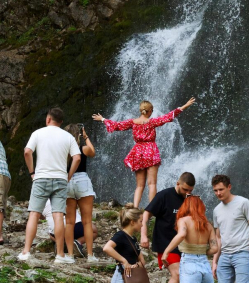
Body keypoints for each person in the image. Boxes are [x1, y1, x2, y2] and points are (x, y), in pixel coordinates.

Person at [92, 97, 196, 207]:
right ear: (150, 111)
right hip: (150, 151)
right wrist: (185, 105)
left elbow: (117, 125)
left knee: (139, 186)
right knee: (152, 184)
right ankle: (152, 209)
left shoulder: (132, 122)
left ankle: (135, 208)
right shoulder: (152, 122)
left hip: (138, 153)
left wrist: (103, 119)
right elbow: (169, 117)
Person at [19, 108, 81, 263]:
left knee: (34, 214)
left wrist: (32, 172)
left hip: (41, 178)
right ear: (61, 122)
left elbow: (27, 152)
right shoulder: (68, 137)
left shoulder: (38, 133)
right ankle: (60, 255)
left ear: (48, 119)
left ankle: (26, 252)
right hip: (60, 179)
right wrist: (68, 175)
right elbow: (77, 158)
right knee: (58, 215)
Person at [140, 172, 196, 283]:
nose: (187, 193)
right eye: (185, 189)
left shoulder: (190, 200)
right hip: (165, 244)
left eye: (190, 190)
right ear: (178, 183)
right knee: (177, 275)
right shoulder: (164, 195)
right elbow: (146, 214)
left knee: (188, 277)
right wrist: (144, 235)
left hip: (185, 246)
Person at [64, 123, 98, 261]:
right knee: (87, 222)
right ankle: (90, 255)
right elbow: (93, 151)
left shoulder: (63, 151)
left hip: (67, 181)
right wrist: (86, 137)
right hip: (82, 181)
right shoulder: (82, 149)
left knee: (70, 222)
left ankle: (70, 255)